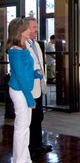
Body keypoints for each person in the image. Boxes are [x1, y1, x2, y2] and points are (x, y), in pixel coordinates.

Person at [6, 17, 43, 163]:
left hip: (24, 90)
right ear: (20, 31)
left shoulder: (22, 48)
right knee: (21, 128)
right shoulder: (15, 52)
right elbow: (20, 78)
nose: (30, 30)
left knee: (25, 127)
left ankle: (24, 158)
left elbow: (23, 72)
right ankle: (20, 160)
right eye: (27, 28)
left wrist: (35, 74)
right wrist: (30, 99)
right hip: (20, 92)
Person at [24, 16, 53, 158]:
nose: (37, 29)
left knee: (38, 117)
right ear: (25, 28)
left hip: (39, 86)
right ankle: (30, 148)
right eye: (34, 27)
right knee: (30, 120)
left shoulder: (36, 44)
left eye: (36, 26)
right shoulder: (23, 45)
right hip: (29, 88)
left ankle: (38, 144)